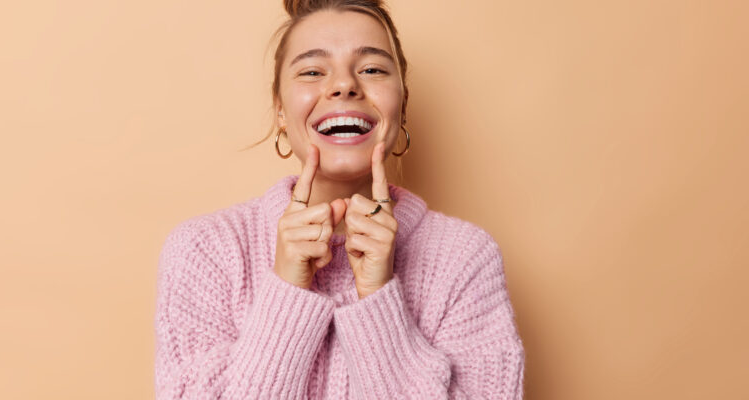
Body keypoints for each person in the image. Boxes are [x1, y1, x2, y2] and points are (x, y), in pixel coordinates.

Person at [154, 0, 525, 398]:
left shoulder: (466, 258)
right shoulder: (204, 250)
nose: (345, 85)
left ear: (402, 104)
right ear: (280, 110)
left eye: (372, 69)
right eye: (312, 71)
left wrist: (379, 300)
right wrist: (287, 291)